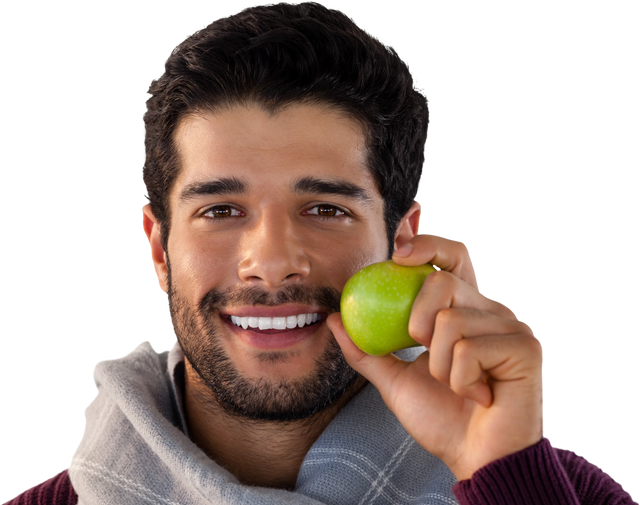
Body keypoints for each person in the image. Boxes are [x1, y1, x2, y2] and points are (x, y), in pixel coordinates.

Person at [6, 1, 636, 504]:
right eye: (220, 210)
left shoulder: (553, 492)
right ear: (158, 247)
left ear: (401, 242)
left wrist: (502, 473)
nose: (273, 260)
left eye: (326, 210)